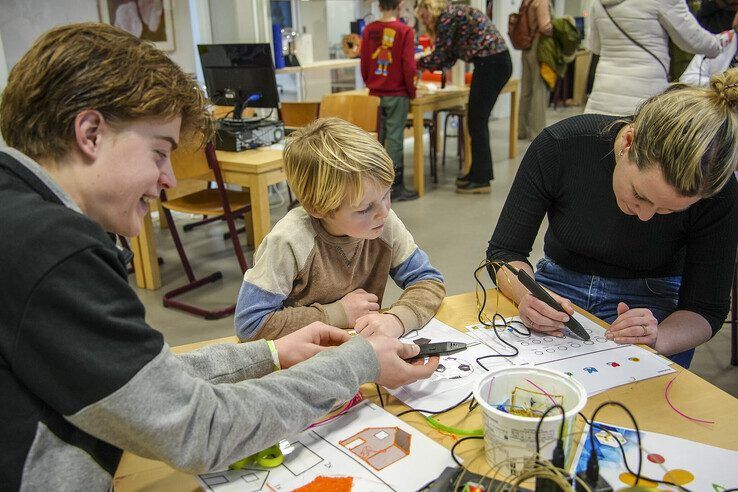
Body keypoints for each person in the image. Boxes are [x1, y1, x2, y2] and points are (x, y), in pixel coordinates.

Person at [0, 23, 439, 490]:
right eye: (159, 152)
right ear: (89, 133)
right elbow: (202, 430)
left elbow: (146, 383)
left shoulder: (20, 218)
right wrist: (359, 362)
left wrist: (271, 353)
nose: (169, 178)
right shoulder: (54, 251)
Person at [487, 69, 738, 369]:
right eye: (640, 195)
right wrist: (526, 294)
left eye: (668, 211)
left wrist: (658, 337)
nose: (645, 216)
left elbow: (705, 309)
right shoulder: (562, 145)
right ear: (629, 142)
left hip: (653, 308)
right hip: (557, 289)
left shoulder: (719, 193)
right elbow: (504, 253)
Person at [235, 118, 445, 341]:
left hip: (360, 353)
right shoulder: (289, 240)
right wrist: (337, 314)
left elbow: (429, 281)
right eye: (365, 209)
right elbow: (250, 324)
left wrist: (398, 320)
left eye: (386, 194)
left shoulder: (384, 224)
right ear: (318, 209)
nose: (384, 211)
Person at [415, 0, 512, 194]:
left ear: (431, 9)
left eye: (424, 16)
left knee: (477, 121)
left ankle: (481, 179)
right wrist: (427, 62)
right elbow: (449, 57)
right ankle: (476, 173)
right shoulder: (453, 14)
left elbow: (441, 56)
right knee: (476, 120)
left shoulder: (447, 17)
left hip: (491, 63)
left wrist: (417, 63)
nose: (425, 22)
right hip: (493, 62)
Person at [585, 0, 724, 116]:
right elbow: (692, 39)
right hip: (645, 94)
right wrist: (719, 45)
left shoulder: (598, 2)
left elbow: (595, 46)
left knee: (598, 142)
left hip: (602, 94)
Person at [360, 0, 419, 202]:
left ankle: (375, 187)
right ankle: (395, 188)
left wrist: (372, 82)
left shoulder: (369, 30)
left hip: (375, 93)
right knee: (394, 140)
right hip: (397, 93)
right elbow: (408, 66)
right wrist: (412, 92)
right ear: (400, 4)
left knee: (375, 141)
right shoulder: (405, 31)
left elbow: (365, 62)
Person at [518, 0, 553, 141]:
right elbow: (545, 27)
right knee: (539, 89)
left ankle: (521, 130)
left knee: (526, 91)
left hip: (526, 48)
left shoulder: (526, 1)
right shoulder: (542, 1)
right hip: (538, 48)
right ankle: (537, 132)